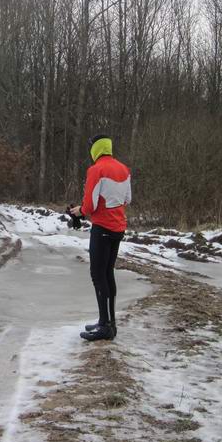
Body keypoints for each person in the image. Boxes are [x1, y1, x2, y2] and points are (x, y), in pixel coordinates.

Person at [68, 134, 131, 341]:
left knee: (97, 274)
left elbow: (90, 205)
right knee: (107, 273)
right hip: (118, 227)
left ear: (94, 149)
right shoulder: (123, 169)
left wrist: (79, 211)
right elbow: (127, 199)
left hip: (102, 227)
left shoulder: (96, 170)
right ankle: (108, 322)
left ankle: (105, 326)